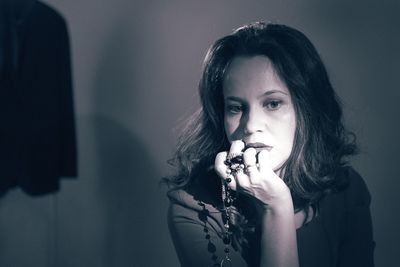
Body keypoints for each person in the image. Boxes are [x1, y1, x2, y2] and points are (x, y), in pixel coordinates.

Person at [164, 22, 375, 267]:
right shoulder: (194, 206)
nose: (251, 125)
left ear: (306, 111)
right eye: (235, 108)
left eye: (273, 103)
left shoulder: (346, 190)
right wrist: (276, 207)